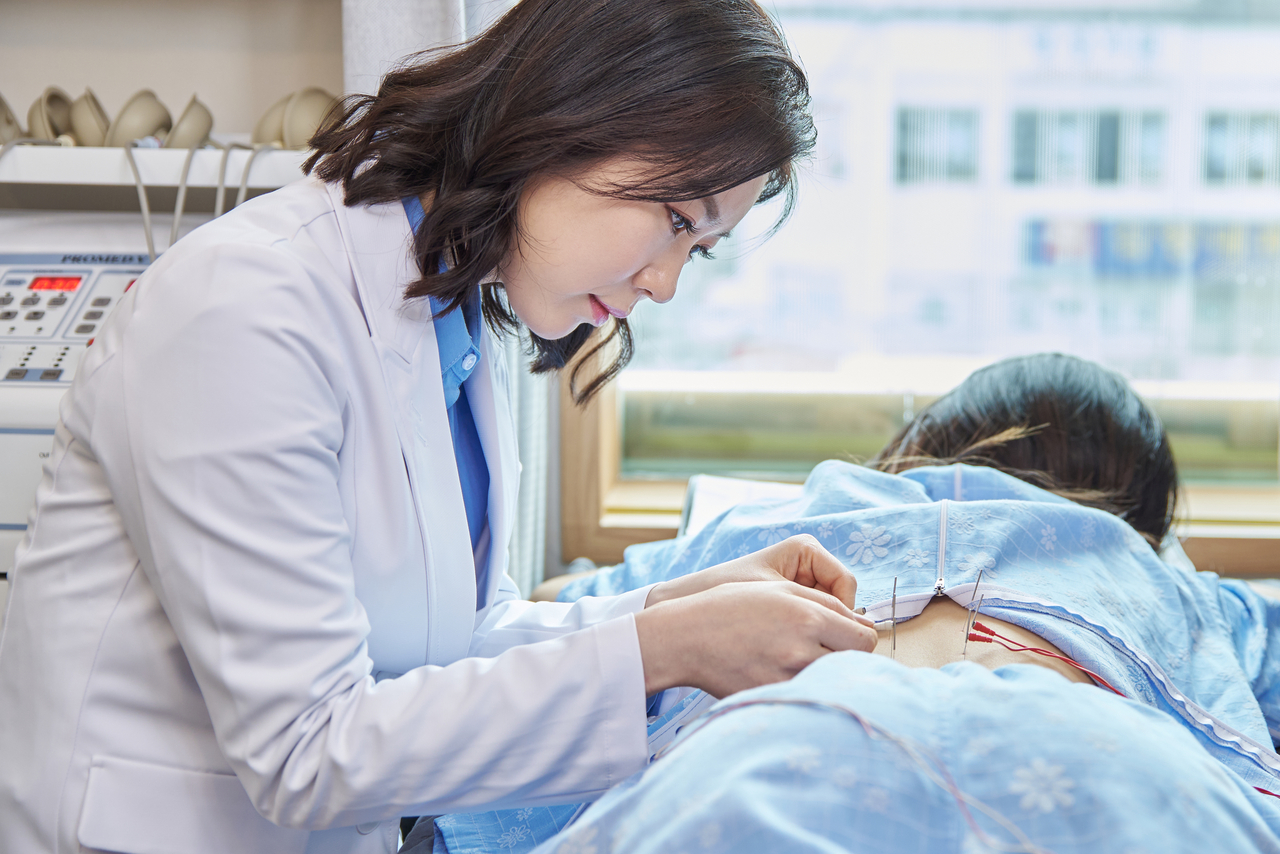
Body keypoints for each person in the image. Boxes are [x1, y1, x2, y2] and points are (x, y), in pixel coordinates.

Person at [0, 3, 880, 853]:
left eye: (700, 248)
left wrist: (681, 612)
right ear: (571, 116)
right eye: (677, 221)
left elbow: (448, 648)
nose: (666, 285)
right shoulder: (240, 312)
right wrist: (664, 650)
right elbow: (307, 753)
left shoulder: (455, 307)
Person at [450, 354, 1280, 853]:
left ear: (923, 446)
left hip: (808, 725)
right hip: (1103, 748)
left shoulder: (804, 512)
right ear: (1141, 515)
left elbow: (550, 627)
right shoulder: (1157, 574)